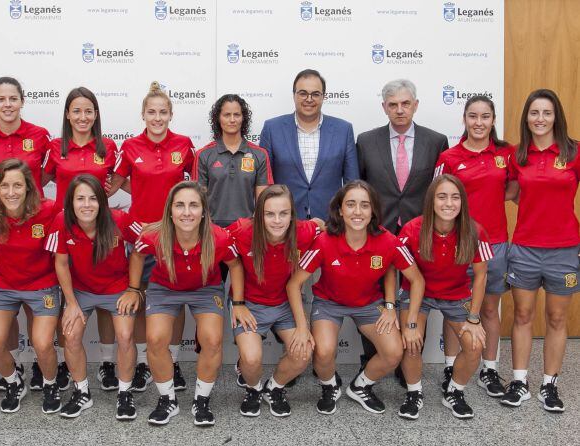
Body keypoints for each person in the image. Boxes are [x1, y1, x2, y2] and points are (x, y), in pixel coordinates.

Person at [286, 180, 423, 415]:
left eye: (364, 205)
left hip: (369, 305)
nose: (357, 212)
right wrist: (301, 326)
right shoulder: (324, 240)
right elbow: (294, 284)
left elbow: (417, 280)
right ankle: (329, 386)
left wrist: (398, 312)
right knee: (324, 351)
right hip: (329, 304)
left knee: (393, 352)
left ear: (373, 211)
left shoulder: (388, 240)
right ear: (340, 210)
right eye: (350, 204)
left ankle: (361, 386)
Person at [0, 77, 65, 391]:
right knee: (6, 301)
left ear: (22, 101)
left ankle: (43, 363)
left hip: (34, 230)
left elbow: (49, 175)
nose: (7, 105)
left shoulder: (39, 136)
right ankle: (15, 367)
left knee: (35, 297)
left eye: (13, 98)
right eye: (1, 99)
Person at [127, 181, 244, 426]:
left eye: (193, 205)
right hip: (164, 289)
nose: (187, 212)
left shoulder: (219, 237)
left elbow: (235, 265)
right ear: (170, 210)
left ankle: (201, 400)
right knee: (156, 338)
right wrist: (133, 288)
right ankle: (167, 399)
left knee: (212, 339)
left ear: (203, 211)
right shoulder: (154, 234)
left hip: (205, 289)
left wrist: (239, 302)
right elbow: (137, 254)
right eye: (180, 205)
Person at [355, 79, 450, 374]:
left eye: (405, 103)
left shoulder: (436, 141)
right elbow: (360, 186)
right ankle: (373, 356)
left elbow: (439, 189)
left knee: (412, 293)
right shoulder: (366, 141)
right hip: (377, 230)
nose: (399, 110)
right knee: (372, 293)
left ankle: (406, 362)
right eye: (393, 104)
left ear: (416, 105)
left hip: (417, 232)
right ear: (384, 107)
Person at [109, 82, 195, 393]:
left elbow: (195, 188)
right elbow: (114, 184)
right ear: (143, 115)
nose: (157, 118)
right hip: (141, 236)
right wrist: (141, 199)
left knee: (176, 297)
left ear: (171, 114)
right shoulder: (130, 146)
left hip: (176, 236)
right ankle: (148, 362)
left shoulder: (184, 145)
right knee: (143, 297)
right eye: (151, 112)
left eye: (162, 112)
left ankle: (172, 362)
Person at [501, 89, 580, 413]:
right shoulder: (517, 154)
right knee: (522, 315)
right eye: (534, 113)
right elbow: (510, 192)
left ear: (556, 116)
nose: (540, 119)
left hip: (564, 250)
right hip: (525, 249)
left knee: (557, 317)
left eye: (547, 113)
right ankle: (520, 381)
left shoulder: (574, 152)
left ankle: (550, 384)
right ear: (527, 118)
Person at [434, 95, 514, 397]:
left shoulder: (505, 154)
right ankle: (450, 367)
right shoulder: (449, 157)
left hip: (495, 244)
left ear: (493, 120)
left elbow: (514, 188)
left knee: (490, 310)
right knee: (456, 312)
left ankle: (489, 370)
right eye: (472, 116)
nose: (478, 123)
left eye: (485, 116)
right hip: (457, 247)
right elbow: (437, 198)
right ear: (464, 120)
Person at [46, 174, 143, 420]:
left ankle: (125, 392)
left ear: (102, 201)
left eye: (92, 198)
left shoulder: (119, 219)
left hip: (118, 288)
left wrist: (133, 289)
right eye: (80, 199)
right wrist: (70, 302)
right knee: (71, 335)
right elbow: (61, 263)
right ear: (71, 202)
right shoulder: (61, 221)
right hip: (81, 291)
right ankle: (82, 392)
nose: (86, 204)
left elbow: (143, 247)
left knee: (125, 335)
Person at [44, 87, 122, 392]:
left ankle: (105, 363)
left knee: (104, 303)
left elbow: (116, 181)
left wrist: (103, 202)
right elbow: (43, 180)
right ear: (67, 114)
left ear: (96, 114)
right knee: (67, 298)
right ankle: (66, 362)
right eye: (76, 111)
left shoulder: (108, 147)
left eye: (88, 111)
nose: (82, 117)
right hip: (67, 232)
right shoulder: (55, 147)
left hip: (99, 232)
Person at [396, 174, 491, 420]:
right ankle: (414, 393)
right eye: (442, 197)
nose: (448, 203)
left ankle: (454, 392)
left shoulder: (475, 231)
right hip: (418, 293)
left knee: (475, 345)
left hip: (456, 294)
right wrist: (409, 321)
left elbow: (480, 276)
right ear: (431, 201)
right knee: (412, 341)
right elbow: (393, 267)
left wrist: (473, 318)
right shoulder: (412, 229)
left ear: (462, 202)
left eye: (455, 197)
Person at [227, 185, 320, 418]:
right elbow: (207, 234)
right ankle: (253, 389)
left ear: (292, 214)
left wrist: (302, 326)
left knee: (303, 353)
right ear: (259, 214)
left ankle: (274, 388)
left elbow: (324, 226)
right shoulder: (242, 231)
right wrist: (237, 304)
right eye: (269, 214)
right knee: (250, 358)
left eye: (284, 213)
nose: (277, 221)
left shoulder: (304, 231)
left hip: (285, 305)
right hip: (249, 305)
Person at [0, 159, 61, 414]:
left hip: (43, 285)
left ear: (29, 187)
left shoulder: (49, 211)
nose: (11, 192)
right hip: (4, 285)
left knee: (43, 343)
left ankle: (50, 384)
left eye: (17, 185)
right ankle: (14, 382)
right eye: (4, 186)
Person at [259, 69, 358, 220]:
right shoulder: (272, 128)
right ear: (294, 95)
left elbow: (352, 184)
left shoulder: (343, 130)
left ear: (324, 96)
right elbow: (264, 181)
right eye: (303, 93)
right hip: (285, 221)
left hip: (330, 221)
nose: (309, 99)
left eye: (315, 94)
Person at [194, 94, 272, 228]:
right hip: (212, 231)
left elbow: (263, 202)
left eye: (237, 115)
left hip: (248, 229)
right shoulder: (203, 154)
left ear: (243, 118)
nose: (232, 120)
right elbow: (197, 200)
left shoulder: (259, 154)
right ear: (218, 118)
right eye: (226, 115)